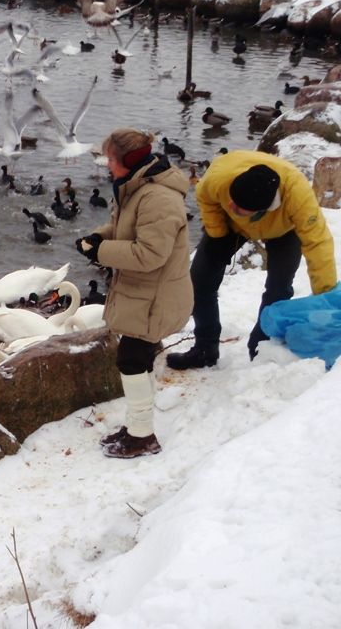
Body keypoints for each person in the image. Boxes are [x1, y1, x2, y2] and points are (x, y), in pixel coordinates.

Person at [75, 129, 192, 458]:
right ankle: (137, 427)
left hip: (157, 296)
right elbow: (121, 225)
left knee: (130, 359)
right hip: (146, 292)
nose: (106, 165)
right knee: (137, 358)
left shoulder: (158, 198)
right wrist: (98, 238)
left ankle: (143, 436)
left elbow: (150, 254)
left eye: (111, 159)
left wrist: (102, 253)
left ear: (131, 160)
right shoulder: (135, 187)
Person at [167, 150, 337, 369]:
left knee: (279, 287)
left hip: (284, 230)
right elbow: (206, 199)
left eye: (239, 207)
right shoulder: (218, 177)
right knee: (199, 281)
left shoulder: (298, 195)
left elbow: (318, 243)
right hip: (232, 226)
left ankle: (262, 346)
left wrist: (326, 298)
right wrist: (218, 235)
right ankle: (205, 349)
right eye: (232, 201)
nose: (231, 206)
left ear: (262, 209)